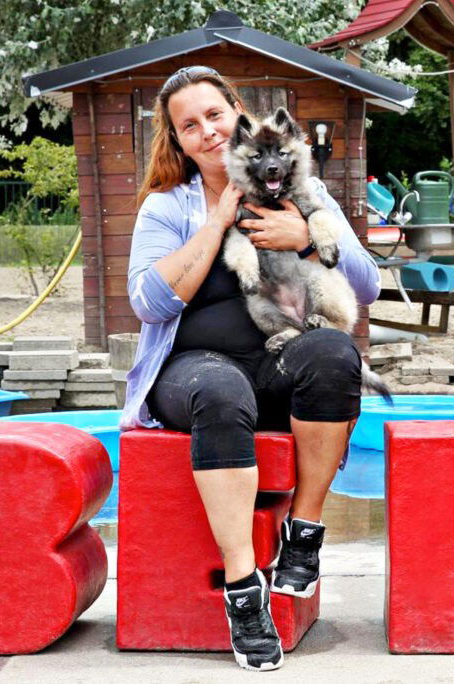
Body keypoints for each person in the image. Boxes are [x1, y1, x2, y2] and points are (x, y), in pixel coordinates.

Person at [120, 66, 380, 672]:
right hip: (193, 371)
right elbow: (148, 303)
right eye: (190, 126)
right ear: (178, 142)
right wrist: (216, 223)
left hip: (280, 356)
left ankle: (304, 532)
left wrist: (306, 239)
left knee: (336, 354)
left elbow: (364, 285)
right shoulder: (166, 207)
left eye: (215, 114)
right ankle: (243, 590)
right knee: (219, 389)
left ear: (237, 112)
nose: (207, 132)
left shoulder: (299, 190)